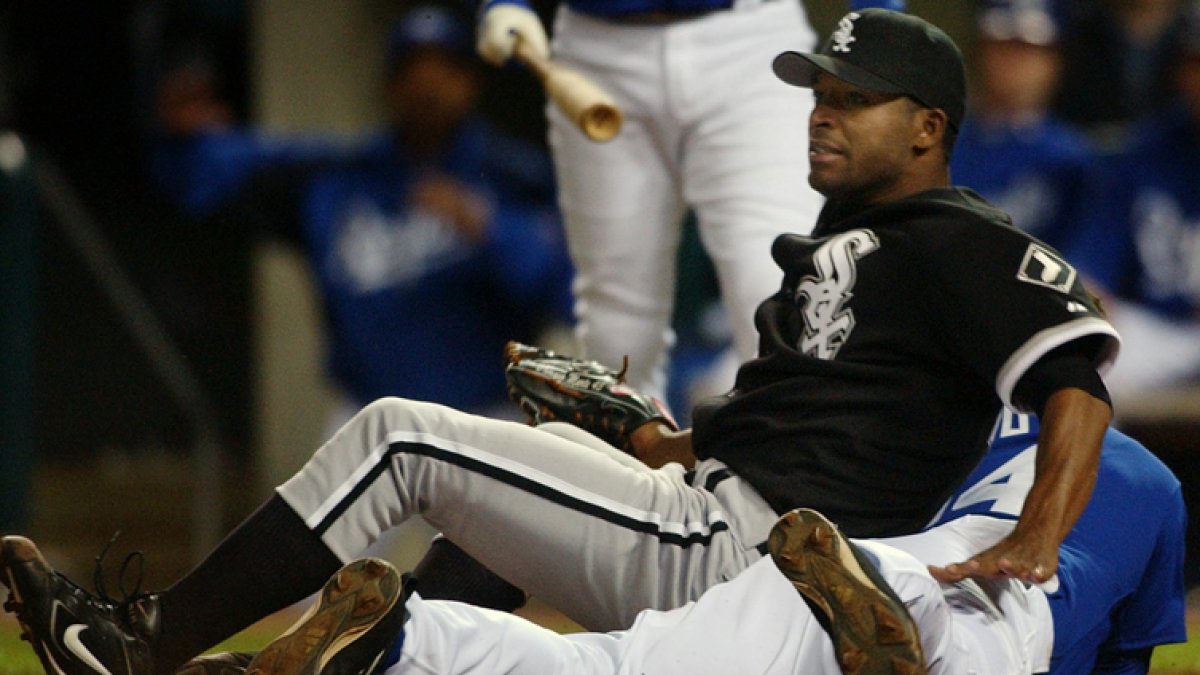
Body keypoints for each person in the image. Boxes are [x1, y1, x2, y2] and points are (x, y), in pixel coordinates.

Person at [0, 10, 1121, 675]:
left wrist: (1039, 536)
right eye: (820, 92)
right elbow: (787, 436)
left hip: (764, 556)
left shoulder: (957, 236)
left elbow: (1077, 367)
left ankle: (141, 649)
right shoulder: (853, 244)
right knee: (488, 503)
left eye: (857, 100)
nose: (823, 113)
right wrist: (649, 435)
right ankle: (392, 646)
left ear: (929, 127)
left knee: (402, 442)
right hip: (722, 514)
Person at [189, 411, 1187, 674]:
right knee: (976, 624)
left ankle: (406, 647)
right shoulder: (1149, 484)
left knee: (614, 667)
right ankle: (883, 607)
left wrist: (657, 440)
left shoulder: (940, 432)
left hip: (796, 584)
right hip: (947, 616)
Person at [150, 3, 573, 418]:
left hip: (489, 413)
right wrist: (181, 138)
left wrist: (488, 227)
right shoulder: (343, 175)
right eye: (412, 69)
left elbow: (566, 291)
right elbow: (212, 172)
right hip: (368, 414)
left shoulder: (514, 176)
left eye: (445, 68)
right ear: (389, 84)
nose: (427, 85)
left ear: (470, 82)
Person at [474, 0, 906, 401]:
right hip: (598, 45)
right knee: (618, 331)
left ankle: (796, 476)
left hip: (750, 39)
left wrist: (879, 19)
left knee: (784, 288)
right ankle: (620, 479)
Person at [1061, 0, 1200, 402]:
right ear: (1179, 71)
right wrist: (1091, 314)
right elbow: (1092, 273)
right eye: (1196, 63)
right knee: (1079, 363)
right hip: (1162, 331)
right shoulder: (1143, 156)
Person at [950, 0, 1096, 251]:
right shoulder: (939, 138)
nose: (1014, 63)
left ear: (1054, 61)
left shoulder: (1072, 160)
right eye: (1003, 47)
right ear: (980, 50)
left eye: (1028, 50)